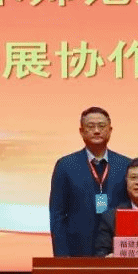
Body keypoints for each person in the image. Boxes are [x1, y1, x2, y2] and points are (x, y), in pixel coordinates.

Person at [48, 107, 130, 256]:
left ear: (110, 130)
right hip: (78, 249)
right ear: (81, 131)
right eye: (91, 126)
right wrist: (61, 257)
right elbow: (57, 214)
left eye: (101, 126)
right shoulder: (65, 165)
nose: (97, 131)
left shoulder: (125, 165)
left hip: (117, 250)